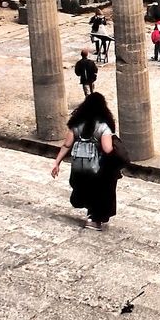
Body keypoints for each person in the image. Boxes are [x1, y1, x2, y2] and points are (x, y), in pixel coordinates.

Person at [50, 92, 121, 231]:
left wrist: (57, 162)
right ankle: (94, 220)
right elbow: (107, 149)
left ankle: (90, 214)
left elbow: (66, 145)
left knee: (85, 189)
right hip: (97, 167)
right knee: (101, 192)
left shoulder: (76, 125)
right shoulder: (103, 127)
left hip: (79, 166)